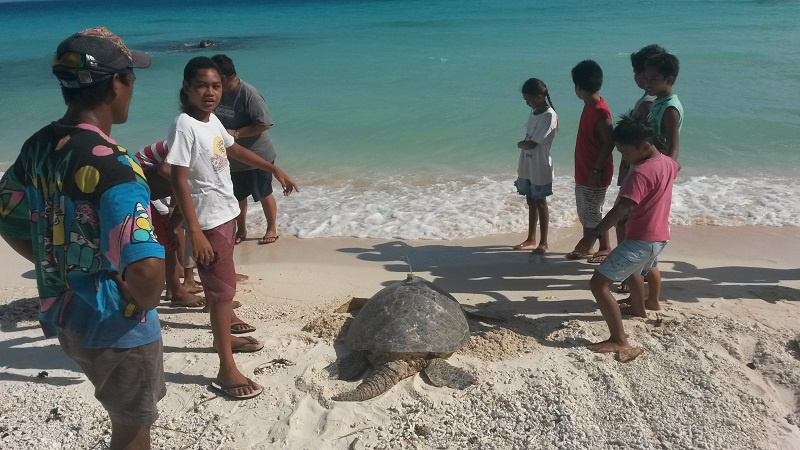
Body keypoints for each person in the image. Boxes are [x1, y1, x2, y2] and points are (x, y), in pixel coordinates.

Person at [0, 27, 166, 449]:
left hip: (67, 314)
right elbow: (146, 268)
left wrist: (49, 260)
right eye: (131, 76)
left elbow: (7, 214)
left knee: (123, 413)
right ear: (117, 83)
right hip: (117, 324)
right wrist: (144, 300)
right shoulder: (118, 168)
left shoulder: (40, 144)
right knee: (132, 428)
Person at [165, 56, 299, 400]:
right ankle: (226, 369)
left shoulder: (210, 122)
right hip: (206, 221)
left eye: (215, 86)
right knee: (223, 294)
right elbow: (178, 178)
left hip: (224, 213)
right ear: (187, 88)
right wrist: (193, 231)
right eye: (202, 86)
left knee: (220, 287)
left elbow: (234, 148)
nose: (210, 92)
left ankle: (223, 338)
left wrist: (274, 170)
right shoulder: (184, 125)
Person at [574, 113, 679, 354]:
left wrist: (593, 235)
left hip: (641, 240)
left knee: (598, 284)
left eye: (626, 153)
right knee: (633, 271)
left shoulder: (640, 173)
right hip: (660, 237)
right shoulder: (667, 163)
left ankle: (619, 339)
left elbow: (621, 207)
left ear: (644, 146)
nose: (624, 158)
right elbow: (676, 167)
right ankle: (639, 308)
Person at [211, 54, 280, 245]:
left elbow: (265, 123)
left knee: (263, 193)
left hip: (258, 156)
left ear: (223, 77)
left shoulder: (249, 94)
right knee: (237, 196)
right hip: (232, 158)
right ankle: (241, 230)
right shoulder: (217, 94)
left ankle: (272, 227)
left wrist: (237, 133)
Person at [614, 44, 667, 294]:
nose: (642, 79)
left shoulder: (648, 103)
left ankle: (629, 277)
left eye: (644, 74)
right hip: (643, 174)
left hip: (640, 176)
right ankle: (634, 277)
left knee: (627, 223)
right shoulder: (654, 101)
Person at [135, 141, 204, 308]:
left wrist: (171, 225)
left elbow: (178, 198)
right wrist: (171, 227)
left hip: (147, 188)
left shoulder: (193, 165)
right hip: (137, 186)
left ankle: (175, 288)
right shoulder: (185, 149)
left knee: (167, 238)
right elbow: (168, 174)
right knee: (166, 241)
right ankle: (176, 291)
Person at [567, 60, 615, 263]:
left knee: (593, 211)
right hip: (584, 168)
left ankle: (604, 247)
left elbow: (610, 141)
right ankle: (587, 245)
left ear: (578, 88)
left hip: (595, 171)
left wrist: (596, 170)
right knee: (585, 211)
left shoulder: (600, 111)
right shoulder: (588, 105)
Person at [513, 78, 559, 255]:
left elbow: (532, 143)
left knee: (541, 202)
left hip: (540, 165)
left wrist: (520, 144)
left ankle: (544, 241)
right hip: (527, 163)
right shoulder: (535, 112)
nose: (527, 103)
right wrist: (524, 145)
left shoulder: (549, 115)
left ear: (539, 96)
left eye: (529, 100)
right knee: (530, 200)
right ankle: (531, 237)